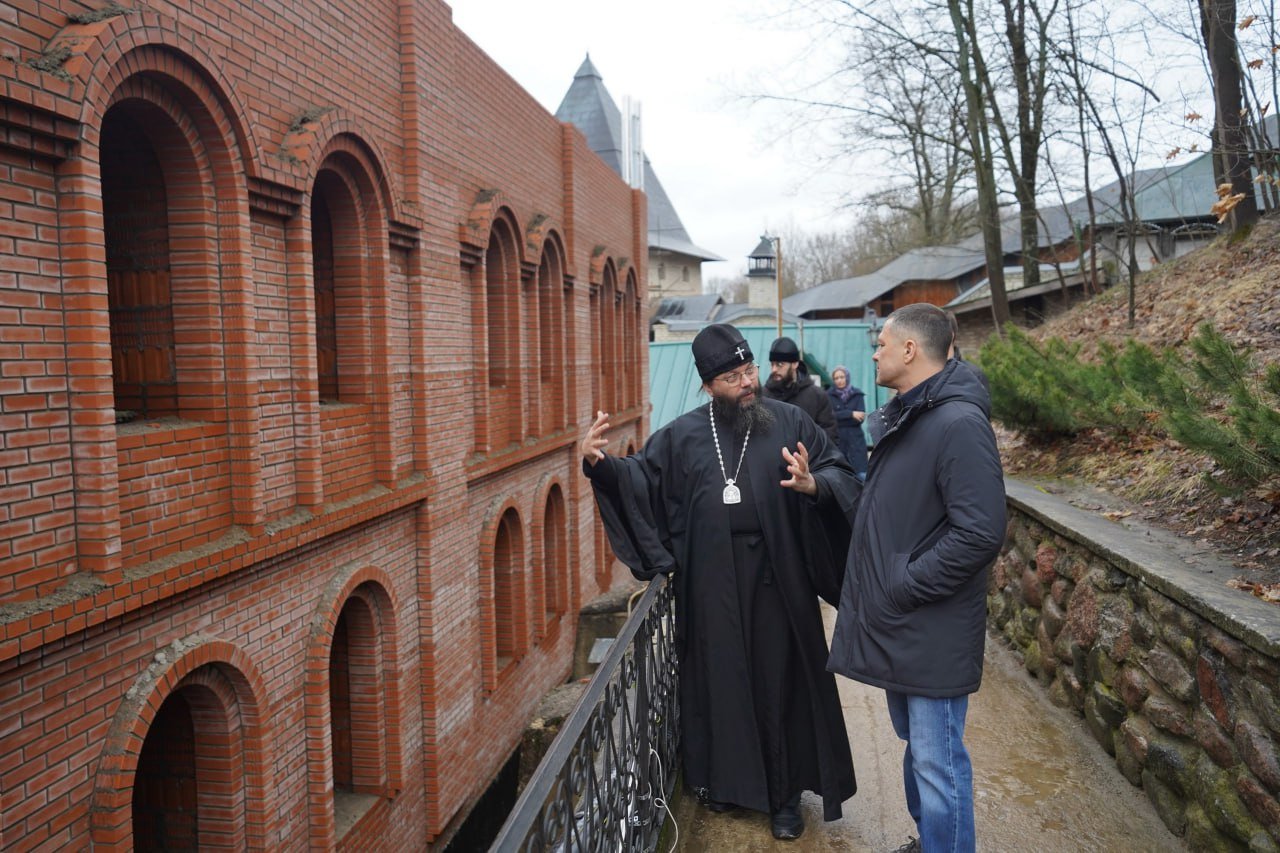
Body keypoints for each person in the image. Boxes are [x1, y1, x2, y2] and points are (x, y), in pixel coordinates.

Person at [580, 322, 859, 841]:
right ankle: (735, 785)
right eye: (733, 376)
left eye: (749, 369)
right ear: (708, 385)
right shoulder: (684, 435)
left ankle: (784, 798)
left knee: (779, 685)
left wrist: (815, 484)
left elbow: (842, 473)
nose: (748, 382)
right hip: (711, 583)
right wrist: (602, 467)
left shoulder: (789, 419)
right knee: (725, 682)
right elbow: (642, 479)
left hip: (780, 579)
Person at [827, 303, 1006, 853]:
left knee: (937, 760)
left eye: (882, 343)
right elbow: (891, 511)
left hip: (931, 623)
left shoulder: (956, 422)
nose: (874, 352)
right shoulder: (914, 414)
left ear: (910, 350)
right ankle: (931, 841)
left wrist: (905, 583)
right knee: (919, 750)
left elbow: (979, 533)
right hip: (909, 624)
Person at [764, 336, 839, 445]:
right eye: (772, 364)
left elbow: (829, 438)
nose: (774, 369)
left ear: (795, 364)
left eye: (780, 364)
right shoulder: (763, 396)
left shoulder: (817, 396)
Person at [825, 365, 868, 481]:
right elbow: (831, 416)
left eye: (842, 377)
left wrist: (841, 415)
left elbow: (861, 417)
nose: (839, 380)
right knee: (841, 476)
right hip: (839, 439)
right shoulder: (828, 395)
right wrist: (851, 414)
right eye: (836, 378)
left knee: (861, 476)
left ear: (847, 378)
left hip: (856, 440)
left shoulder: (857, 394)